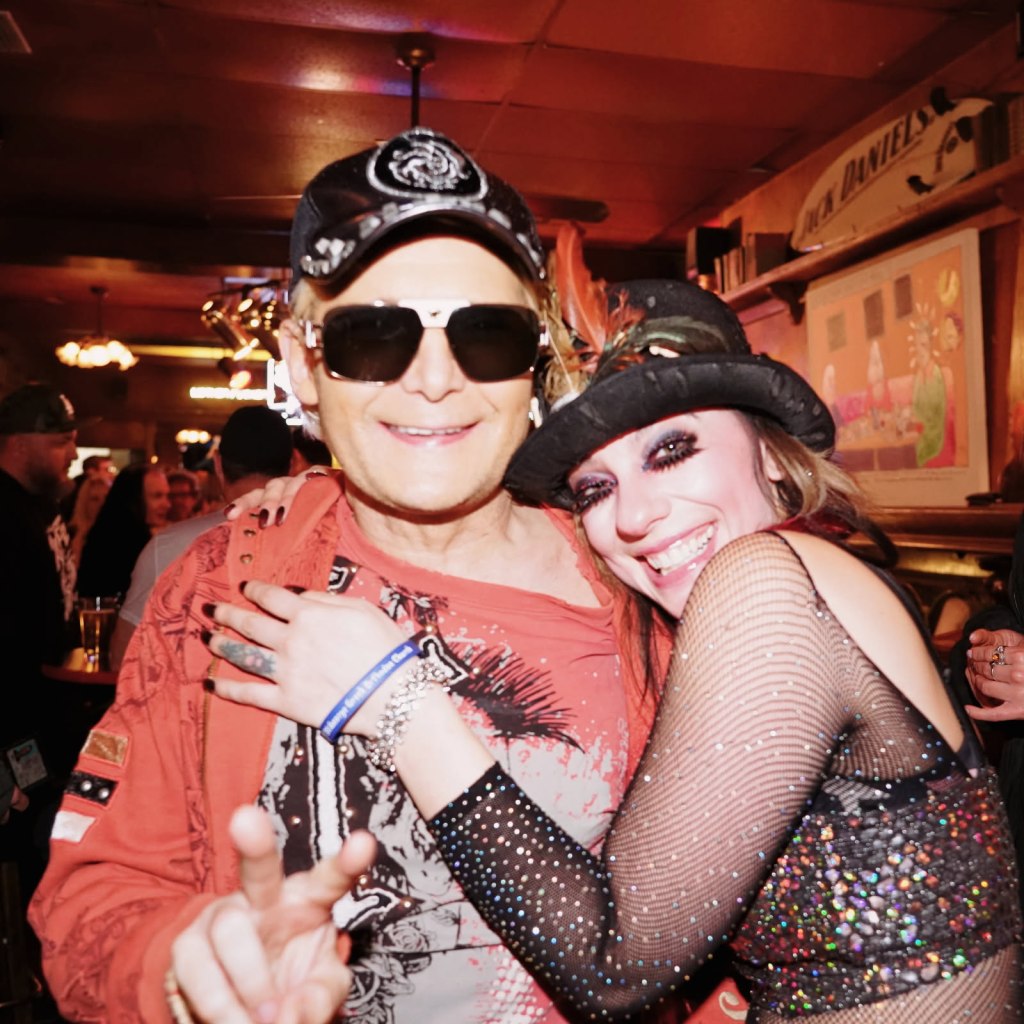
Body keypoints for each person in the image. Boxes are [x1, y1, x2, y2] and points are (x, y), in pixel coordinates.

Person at [204, 280, 1022, 1020]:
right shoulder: (801, 590)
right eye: (595, 488)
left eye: (672, 451)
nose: (633, 517)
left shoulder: (766, 579)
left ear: (773, 455)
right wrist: (332, 494)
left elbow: (614, 966)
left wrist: (397, 702)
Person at [30, 127, 660, 1024]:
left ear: (535, 365)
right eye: (373, 335)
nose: (434, 380)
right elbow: (94, 896)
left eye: (487, 334)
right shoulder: (223, 583)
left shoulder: (644, 584)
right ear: (302, 366)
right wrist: (185, 964)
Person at [108, 405, 294, 671]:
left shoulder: (169, 546)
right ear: (291, 466)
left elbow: (124, 656)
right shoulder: (322, 540)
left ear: (218, 465)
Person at [76, 462, 170, 600]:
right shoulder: (118, 541)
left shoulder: (135, 535)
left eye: (167, 496)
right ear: (134, 498)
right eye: (157, 496)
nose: (167, 504)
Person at [68, 471, 112, 568]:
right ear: (84, 502)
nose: (102, 503)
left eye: (106, 497)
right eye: (95, 499)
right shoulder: (70, 535)